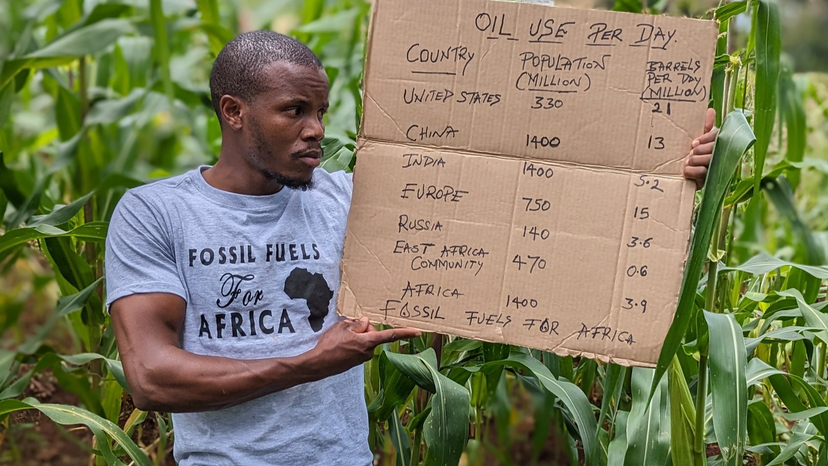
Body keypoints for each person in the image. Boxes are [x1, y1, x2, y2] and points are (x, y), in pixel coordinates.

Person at [105, 31, 718, 465]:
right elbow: (153, 378)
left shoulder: (351, 199)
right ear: (233, 112)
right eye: (293, 111)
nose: (316, 129)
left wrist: (663, 169)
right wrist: (309, 363)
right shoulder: (157, 213)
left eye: (320, 110)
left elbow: (529, 199)